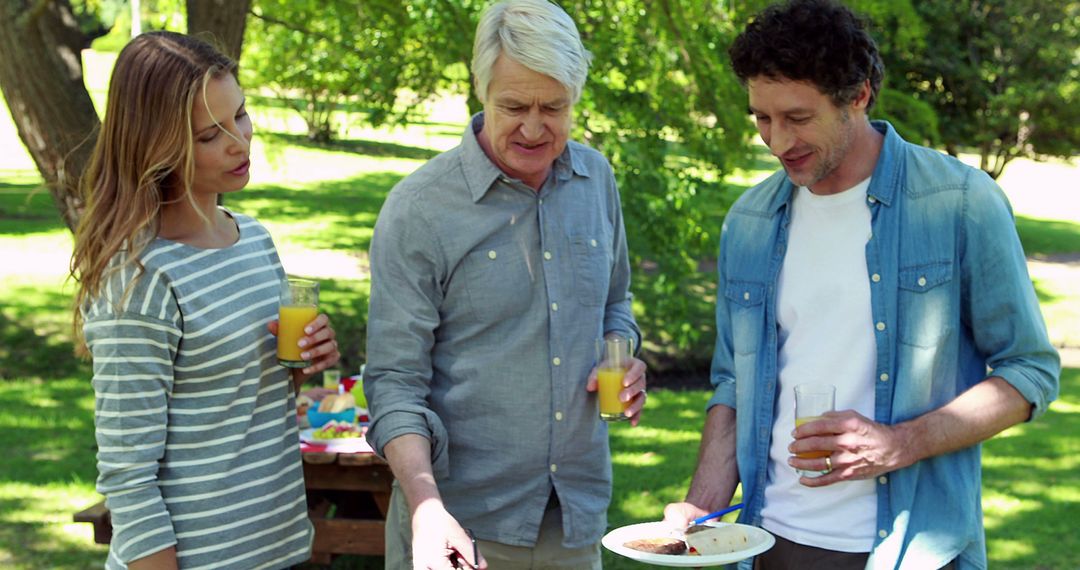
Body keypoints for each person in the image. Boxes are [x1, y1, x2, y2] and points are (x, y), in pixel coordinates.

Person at [663, 1, 1060, 569]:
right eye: (761, 118)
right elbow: (734, 386)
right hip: (767, 545)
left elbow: (1030, 371)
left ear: (859, 95)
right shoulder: (748, 222)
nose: (776, 142)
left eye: (797, 118)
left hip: (910, 549)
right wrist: (697, 511)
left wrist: (901, 443)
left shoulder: (959, 203)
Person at [363, 0, 648, 567]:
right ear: (480, 89)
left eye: (555, 107)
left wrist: (627, 355)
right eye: (514, 105)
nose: (535, 127)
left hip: (574, 519)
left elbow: (616, 305)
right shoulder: (419, 208)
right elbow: (394, 383)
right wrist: (426, 507)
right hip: (458, 526)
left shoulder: (597, 180)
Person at [70, 31, 340, 570]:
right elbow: (128, 477)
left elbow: (245, 400)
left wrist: (304, 362)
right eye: (209, 135)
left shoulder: (255, 239)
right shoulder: (140, 280)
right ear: (157, 147)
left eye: (239, 115)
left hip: (275, 550)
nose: (240, 141)